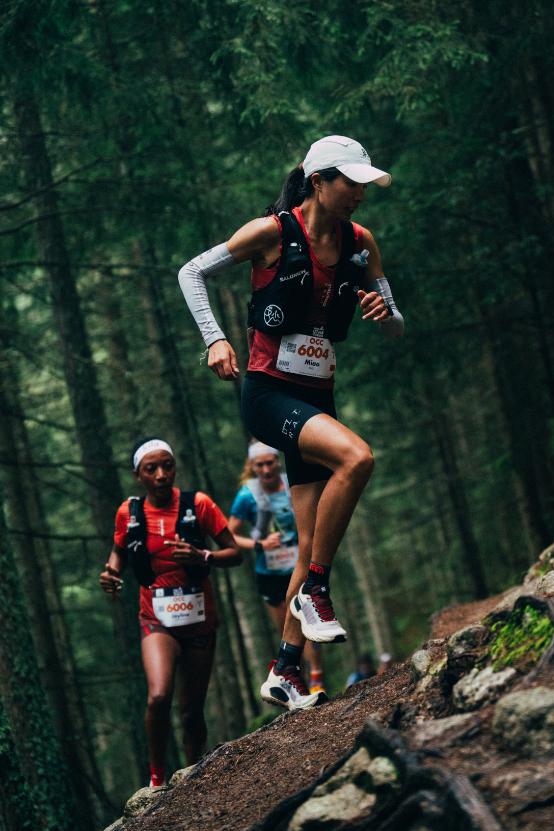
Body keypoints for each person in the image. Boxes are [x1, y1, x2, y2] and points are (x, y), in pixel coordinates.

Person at [178, 134, 404, 711]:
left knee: (307, 543)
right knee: (358, 458)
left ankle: (285, 671)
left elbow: (394, 320)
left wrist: (383, 310)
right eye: (349, 182)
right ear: (318, 182)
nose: (359, 193)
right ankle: (319, 593)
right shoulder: (271, 233)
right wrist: (216, 339)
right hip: (269, 394)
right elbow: (191, 273)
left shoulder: (362, 244)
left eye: (362, 183)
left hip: (318, 397)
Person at [99, 437, 241, 787]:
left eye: (168, 466)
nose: (162, 475)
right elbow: (118, 550)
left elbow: (235, 553)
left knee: (192, 711)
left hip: (199, 618)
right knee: (159, 695)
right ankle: (157, 779)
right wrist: (112, 572)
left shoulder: (199, 504)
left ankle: (192, 780)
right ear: (138, 475)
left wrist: (203, 557)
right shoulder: (128, 513)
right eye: (151, 469)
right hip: (155, 617)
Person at [229, 440, 326, 694]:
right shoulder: (246, 495)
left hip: (299, 564)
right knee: (287, 628)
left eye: (269, 462)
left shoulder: (293, 485)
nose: (266, 470)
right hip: (269, 573)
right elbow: (230, 535)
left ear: (277, 460)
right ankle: (299, 683)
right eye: (259, 465)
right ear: (252, 466)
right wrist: (259, 544)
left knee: (308, 621)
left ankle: (317, 678)